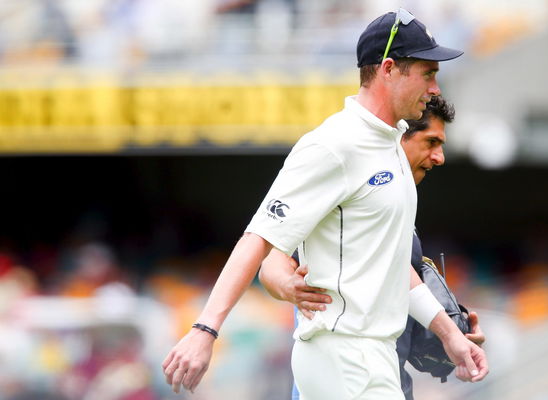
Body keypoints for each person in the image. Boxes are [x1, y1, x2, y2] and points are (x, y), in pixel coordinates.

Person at [162, 9, 488, 398]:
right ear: (389, 69)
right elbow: (260, 237)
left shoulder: (392, 145)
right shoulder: (333, 145)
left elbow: (394, 264)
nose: (436, 87)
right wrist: (205, 330)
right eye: (427, 72)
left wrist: (450, 335)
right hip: (341, 354)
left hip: (375, 355)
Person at [258, 96, 486, 400]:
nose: (439, 157)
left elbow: (401, 281)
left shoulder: (395, 204)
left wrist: (452, 336)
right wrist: (289, 285)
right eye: (431, 142)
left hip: (385, 372)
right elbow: (271, 259)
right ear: (398, 137)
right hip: (338, 369)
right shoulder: (350, 189)